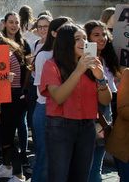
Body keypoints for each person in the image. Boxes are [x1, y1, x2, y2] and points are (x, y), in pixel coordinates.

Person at [40, 24, 111, 181]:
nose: (83, 42)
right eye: (77, 39)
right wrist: (78, 71)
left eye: (85, 38)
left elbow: (105, 100)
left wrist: (100, 78)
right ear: (66, 42)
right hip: (61, 127)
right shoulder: (51, 65)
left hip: (87, 127)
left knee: (81, 176)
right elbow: (58, 97)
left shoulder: (93, 64)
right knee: (59, 176)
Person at [0, 30, 29, 182]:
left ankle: (18, 173)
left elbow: (1, 83)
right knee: (6, 135)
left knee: (8, 137)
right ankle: (7, 166)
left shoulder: (3, 55)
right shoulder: (11, 49)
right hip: (15, 97)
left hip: (10, 99)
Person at [31, 16, 71, 182]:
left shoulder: (72, 54)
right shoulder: (44, 55)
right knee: (44, 157)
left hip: (64, 111)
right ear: (54, 34)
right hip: (46, 110)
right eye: (64, 30)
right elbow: (41, 90)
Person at [84, 20, 122, 182]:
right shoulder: (86, 60)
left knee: (97, 161)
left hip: (110, 109)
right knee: (89, 164)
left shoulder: (109, 56)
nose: (102, 38)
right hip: (94, 112)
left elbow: (117, 81)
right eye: (96, 35)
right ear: (87, 38)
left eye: (104, 34)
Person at [1, 11, 32, 167]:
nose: (14, 25)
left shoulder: (24, 43)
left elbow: (28, 69)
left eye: (16, 22)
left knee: (20, 124)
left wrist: (24, 91)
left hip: (19, 92)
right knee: (4, 128)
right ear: (5, 23)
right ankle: (8, 163)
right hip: (1, 91)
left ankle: (20, 159)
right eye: (11, 22)